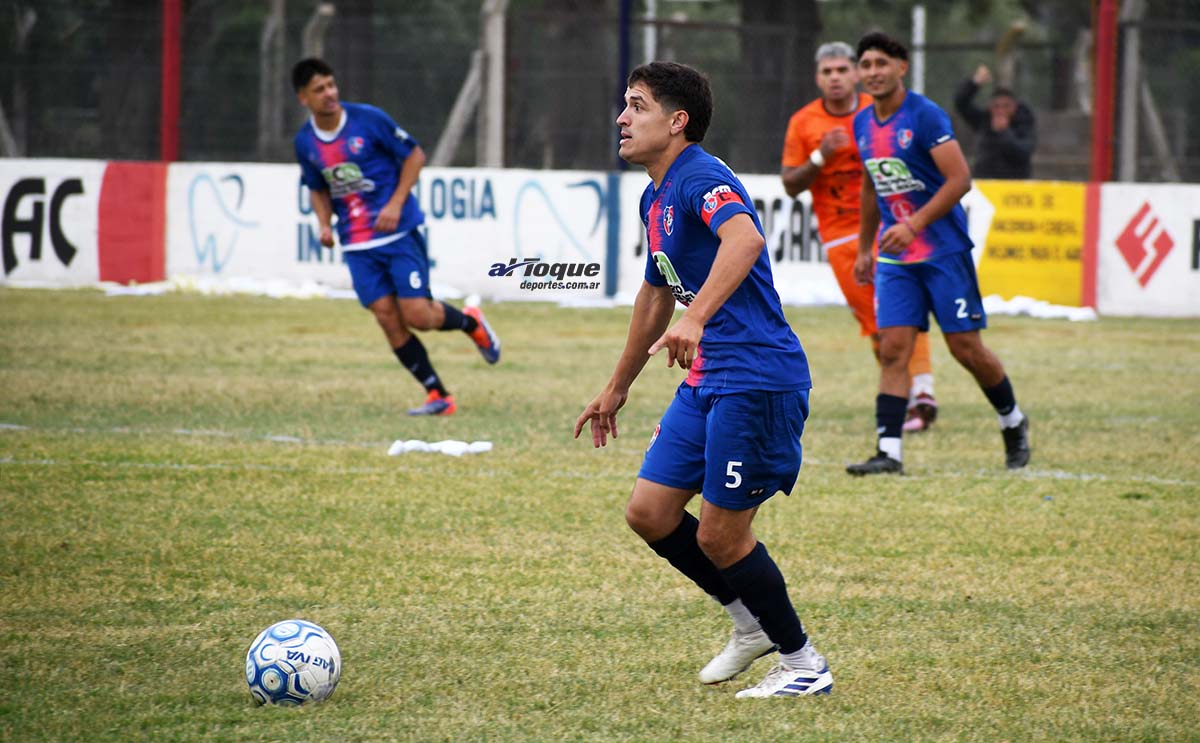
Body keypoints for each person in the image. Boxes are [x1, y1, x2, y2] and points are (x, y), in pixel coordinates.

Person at [574, 61, 832, 698]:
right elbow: (655, 295)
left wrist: (697, 315)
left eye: (637, 106)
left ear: (676, 121)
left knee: (721, 534)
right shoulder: (654, 195)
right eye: (624, 105)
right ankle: (750, 623)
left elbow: (744, 241)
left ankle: (803, 664)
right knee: (650, 512)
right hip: (710, 377)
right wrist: (617, 386)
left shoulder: (701, 176)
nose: (622, 118)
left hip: (758, 378)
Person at [846, 33, 1031, 476]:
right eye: (866, 64)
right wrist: (865, 246)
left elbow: (959, 179)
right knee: (893, 349)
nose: (872, 71)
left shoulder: (925, 116)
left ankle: (1013, 421)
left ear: (901, 68)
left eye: (881, 63)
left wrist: (912, 224)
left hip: (942, 251)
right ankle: (888, 451)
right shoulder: (862, 123)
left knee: (965, 348)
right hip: (895, 257)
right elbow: (872, 186)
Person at [291, 58, 501, 416]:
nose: (330, 94)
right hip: (357, 244)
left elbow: (415, 156)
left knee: (417, 314)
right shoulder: (306, 143)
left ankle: (470, 322)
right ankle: (438, 395)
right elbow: (317, 188)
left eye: (331, 85)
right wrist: (324, 225)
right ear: (303, 99)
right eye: (319, 89)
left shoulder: (367, 120)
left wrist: (395, 203)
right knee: (387, 318)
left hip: (398, 232)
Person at [781, 41, 938, 432]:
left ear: (855, 73)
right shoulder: (804, 122)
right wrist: (821, 156)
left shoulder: (878, 110)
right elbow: (790, 185)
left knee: (902, 310)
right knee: (874, 321)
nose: (835, 78)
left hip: (888, 225)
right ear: (818, 78)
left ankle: (921, 394)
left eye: (842, 70)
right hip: (840, 238)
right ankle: (903, 393)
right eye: (827, 72)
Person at [953, 64, 1036, 179]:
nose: (1001, 111)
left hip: (1015, 184)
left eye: (1006, 106)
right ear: (990, 107)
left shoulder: (1023, 123)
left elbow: (1023, 152)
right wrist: (974, 83)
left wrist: (1004, 132)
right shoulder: (984, 120)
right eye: (996, 106)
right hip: (985, 184)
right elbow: (961, 104)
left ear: (1014, 107)